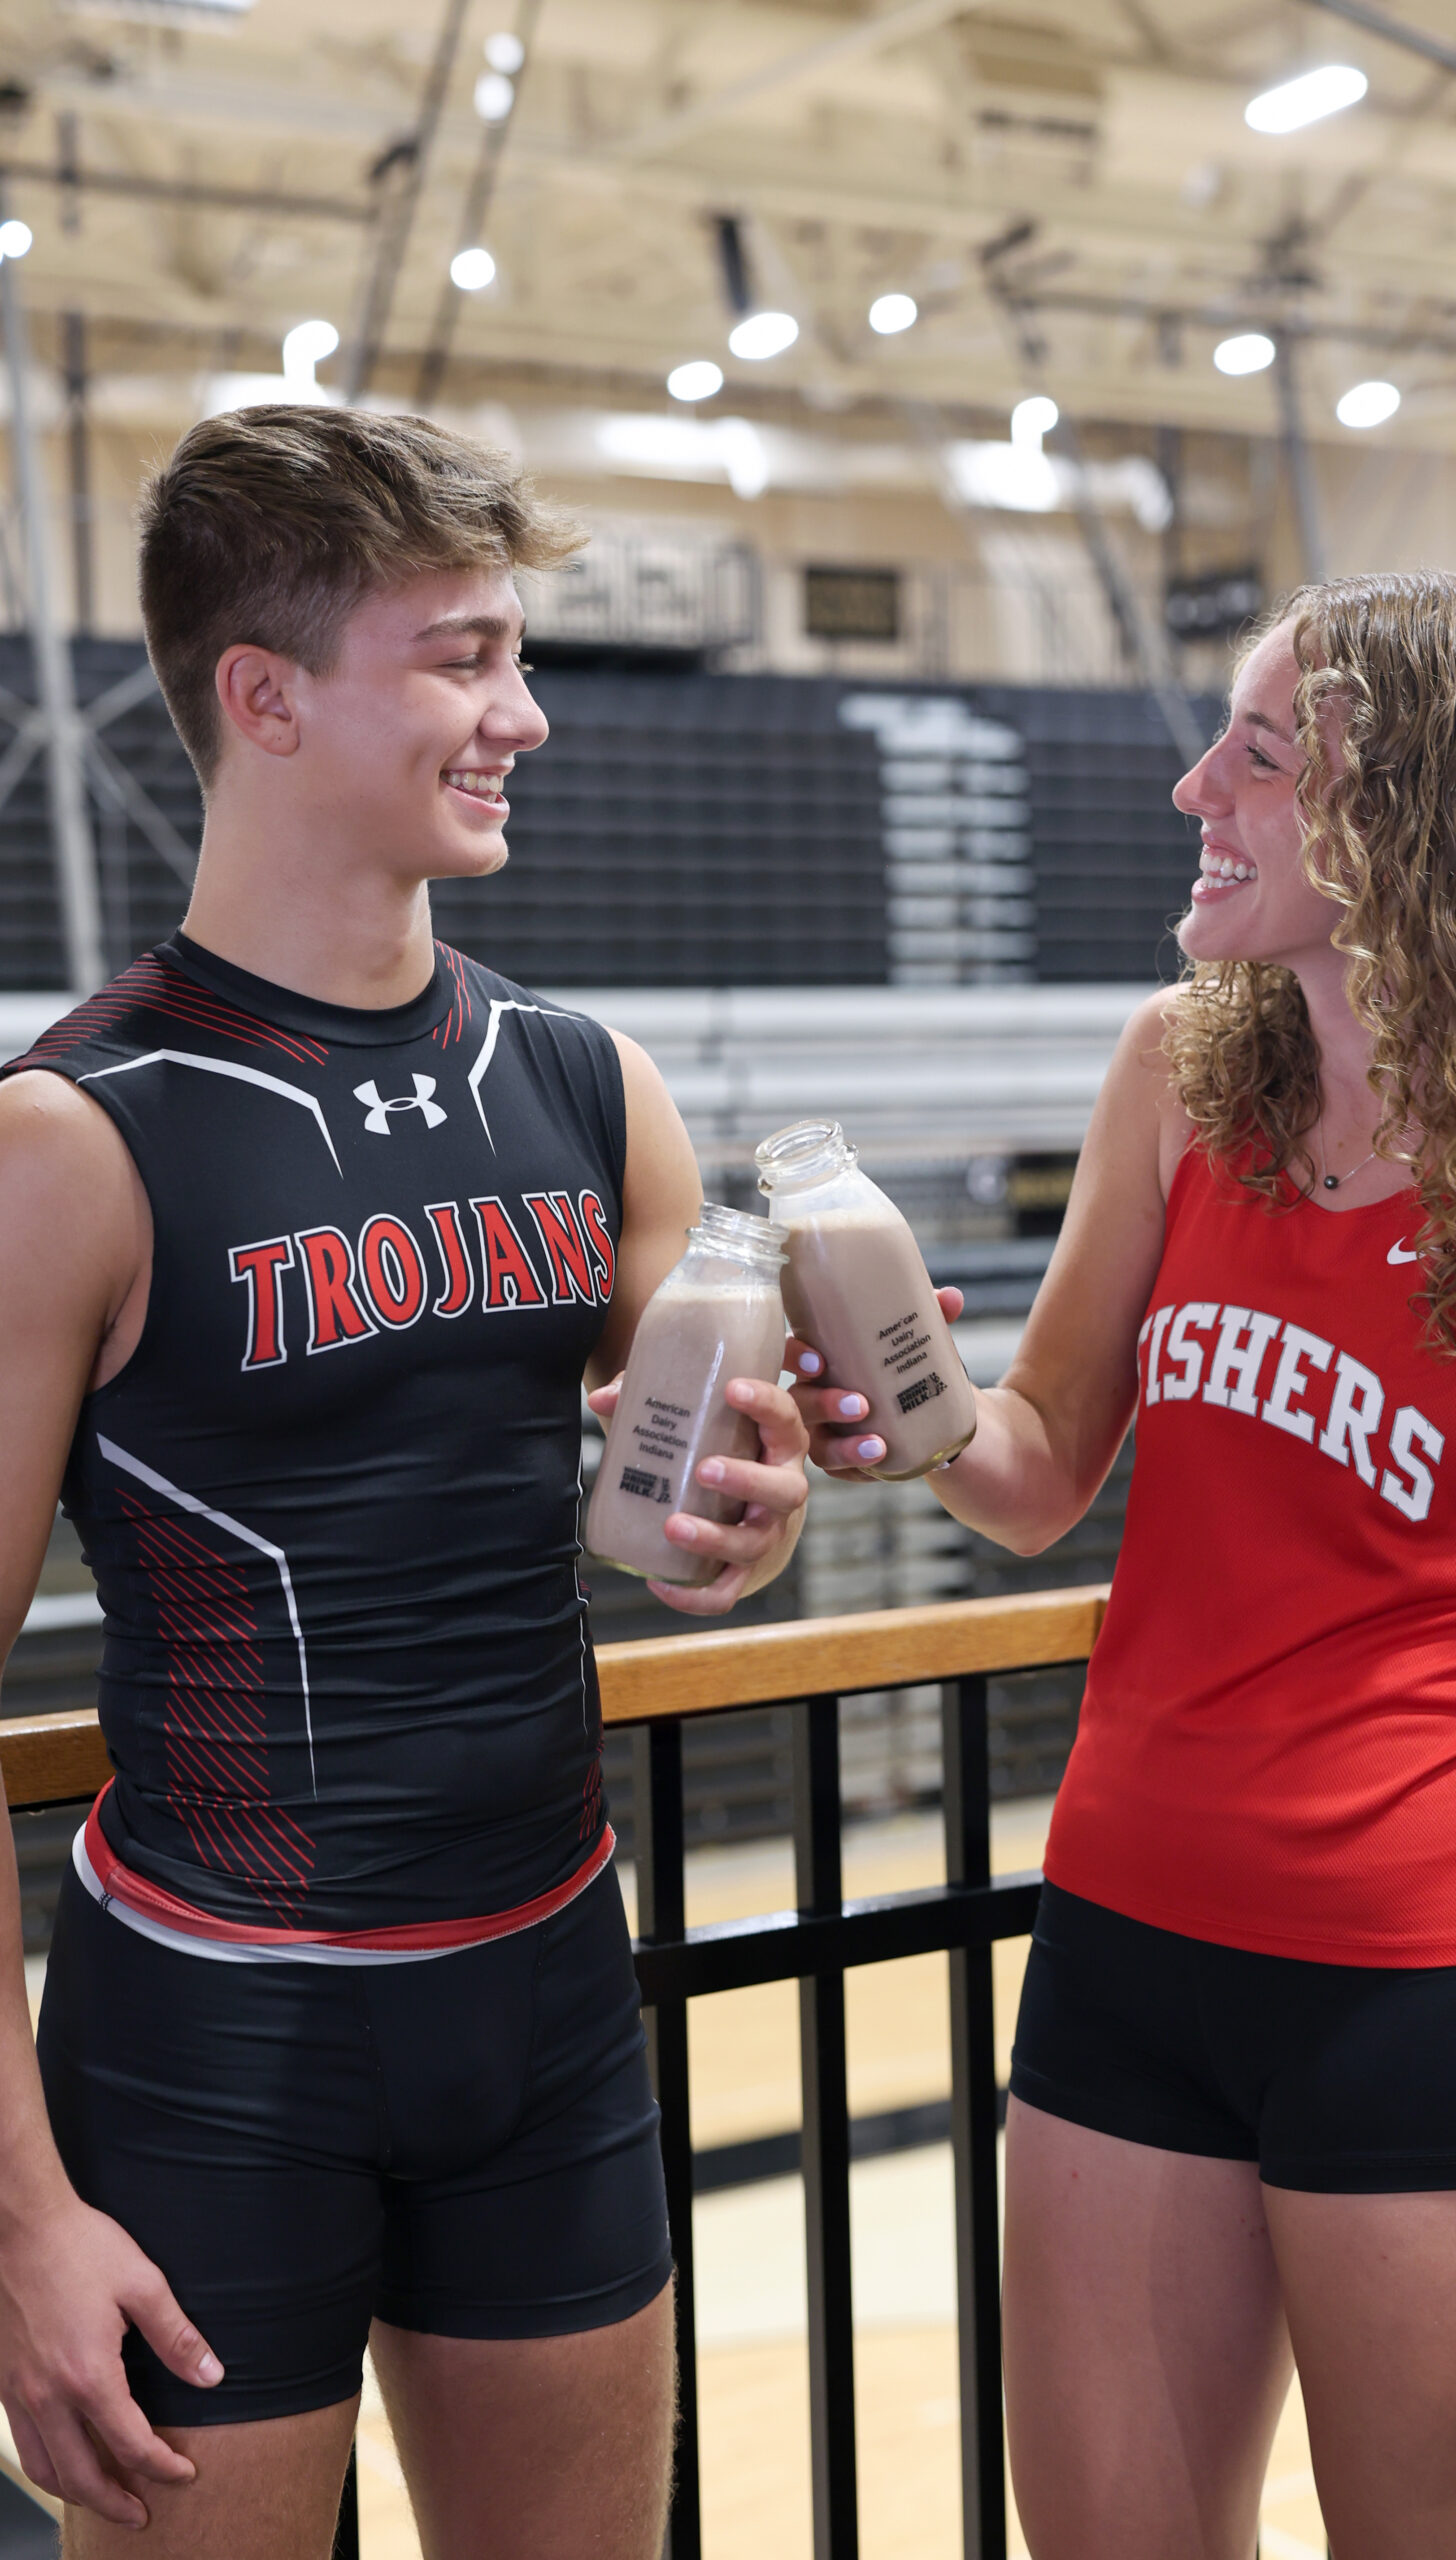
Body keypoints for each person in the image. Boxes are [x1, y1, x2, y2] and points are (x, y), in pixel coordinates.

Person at [797, 572, 1456, 2559]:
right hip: (1125, 1950)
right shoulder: (1179, 1072)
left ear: (1415, 810)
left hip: (1434, 1983)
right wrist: (900, 1391)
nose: (1192, 788)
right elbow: (1034, 1470)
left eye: (1258, 754)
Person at [0, 405, 810, 2557]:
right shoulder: (73, 1138)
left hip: (550, 1995)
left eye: (515, 656)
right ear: (265, 698)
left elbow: (692, 1469)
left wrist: (747, 1506)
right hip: (213, 2046)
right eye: (462, 660)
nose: (522, 716)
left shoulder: (585, 1080)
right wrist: (19, 2219)